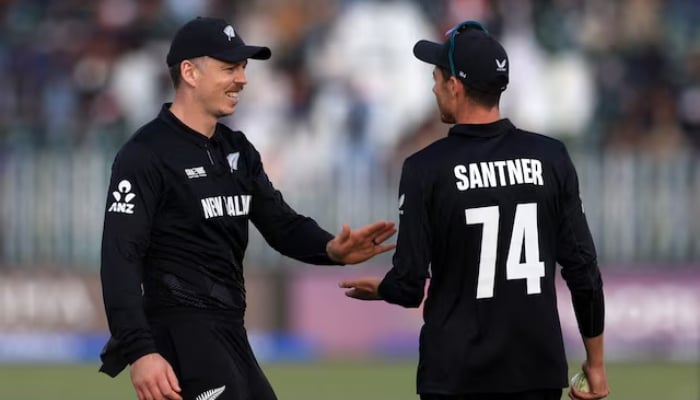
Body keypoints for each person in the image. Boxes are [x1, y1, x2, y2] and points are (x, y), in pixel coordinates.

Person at [98, 16, 396, 400]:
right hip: (178, 336)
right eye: (229, 68)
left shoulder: (237, 150)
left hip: (230, 333)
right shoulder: (145, 155)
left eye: (243, 67)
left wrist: (330, 249)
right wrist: (141, 351)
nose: (242, 79)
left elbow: (282, 225)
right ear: (189, 72)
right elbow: (119, 258)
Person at [339, 20, 610, 400]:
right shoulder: (551, 157)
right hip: (536, 371)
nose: (433, 87)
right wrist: (595, 363)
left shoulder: (424, 168)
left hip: (455, 373)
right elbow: (584, 270)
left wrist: (382, 287)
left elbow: (408, 285)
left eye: (436, 76)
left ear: (455, 86)